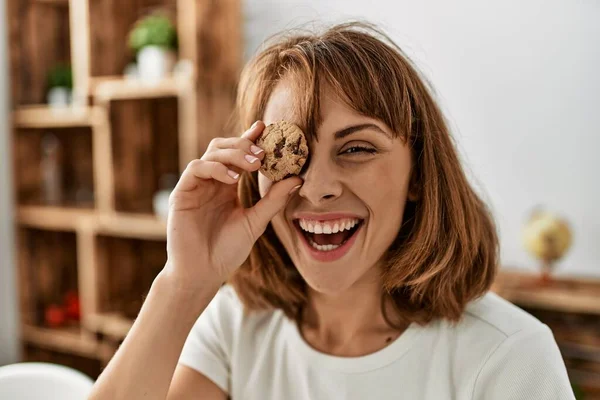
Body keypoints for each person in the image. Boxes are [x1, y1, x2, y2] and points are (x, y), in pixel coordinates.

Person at [89, 22, 574, 399]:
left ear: (419, 177)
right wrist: (182, 285)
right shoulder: (236, 325)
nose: (316, 189)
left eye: (357, 148)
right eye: (292, 154)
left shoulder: (509, 357)